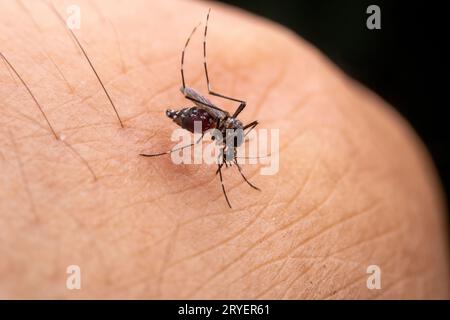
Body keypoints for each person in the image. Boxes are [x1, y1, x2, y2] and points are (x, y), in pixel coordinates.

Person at [0, 0, 448, 299]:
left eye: (234, 145)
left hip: (209, 120)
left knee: (227, 126)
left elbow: (225, 144)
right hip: (204, 114)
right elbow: (220, 141)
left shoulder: (229, 132)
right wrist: (212, 143)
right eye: (235, 146)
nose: (235, 147)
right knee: (224, 123)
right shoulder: (222, 126)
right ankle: (200, 101)